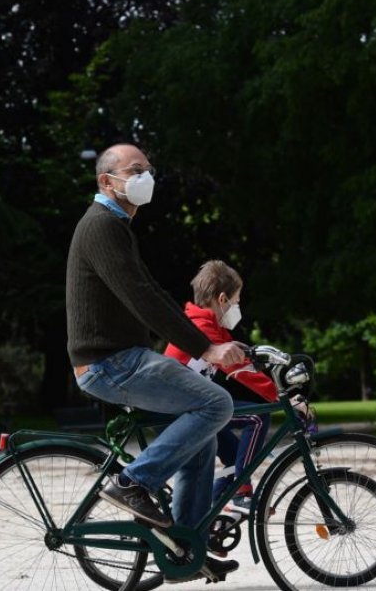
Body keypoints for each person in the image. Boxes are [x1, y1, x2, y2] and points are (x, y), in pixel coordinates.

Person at [66, 144, 245, 583]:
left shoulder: (118, 227)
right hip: (111, 363)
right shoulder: (102, 226)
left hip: (120, 359)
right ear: (107, 181)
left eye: (149, 169)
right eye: (135, 170)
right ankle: (132, 483)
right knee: (216, 405)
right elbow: (141, 298)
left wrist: (201, 340)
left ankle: (184, 545)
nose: (146, 176)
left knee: (200, 435)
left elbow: (153, 293)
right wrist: (206, 348)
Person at [163, 260, 277, 515]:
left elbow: (243, 359)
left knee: (235, 457)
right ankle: (242, 493)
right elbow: (238, 369)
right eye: (236, 302)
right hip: (183, 410)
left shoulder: (209, 325)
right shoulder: (201, 328)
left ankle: (208, 521)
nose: (237, 308)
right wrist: (279, 396)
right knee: (258, 417)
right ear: (223, 299)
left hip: (193, 406)